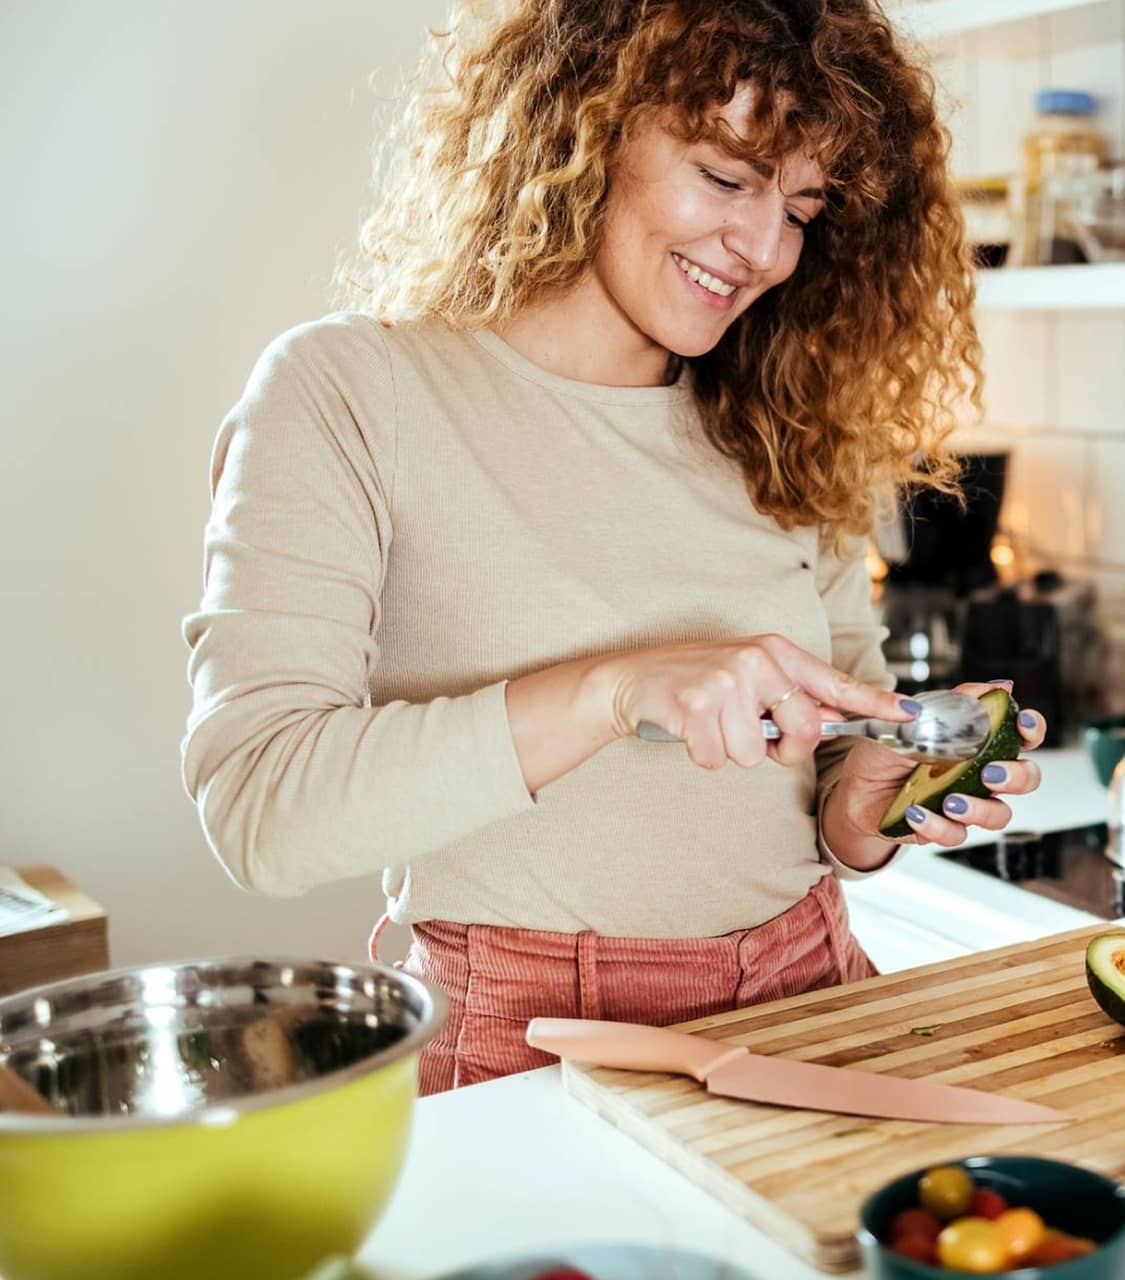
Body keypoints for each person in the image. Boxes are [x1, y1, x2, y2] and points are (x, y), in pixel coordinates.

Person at [180, 0, 1042, 1094]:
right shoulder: (351, 391)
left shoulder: (781, 420)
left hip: (809, 994)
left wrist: (865, 801)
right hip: (526, 1037)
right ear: (580, 125)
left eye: (802, 206)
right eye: (727, 179)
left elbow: (833, 740)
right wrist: (611, 690)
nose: (766, 248)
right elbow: (262, 806)